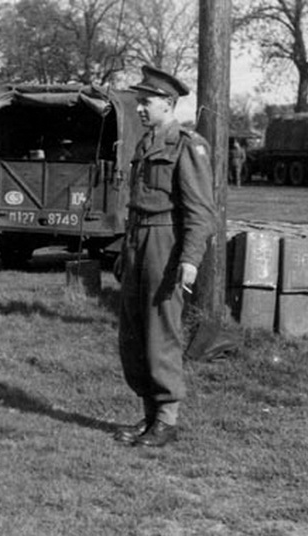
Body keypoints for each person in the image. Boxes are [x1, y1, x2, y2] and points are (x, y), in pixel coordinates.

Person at [114, 65, 217, 448]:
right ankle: (148, 416)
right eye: (139, 101)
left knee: (161, 332)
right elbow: (137, 204)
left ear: (169, 104)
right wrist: (126, 251)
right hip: (138, 240)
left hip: (164, 243)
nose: (140, 108)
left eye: (147, 102)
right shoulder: (145, 143)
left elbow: (200, 212)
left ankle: (168, 419)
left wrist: (190, 259)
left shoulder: (186, 144)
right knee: (134, 332)